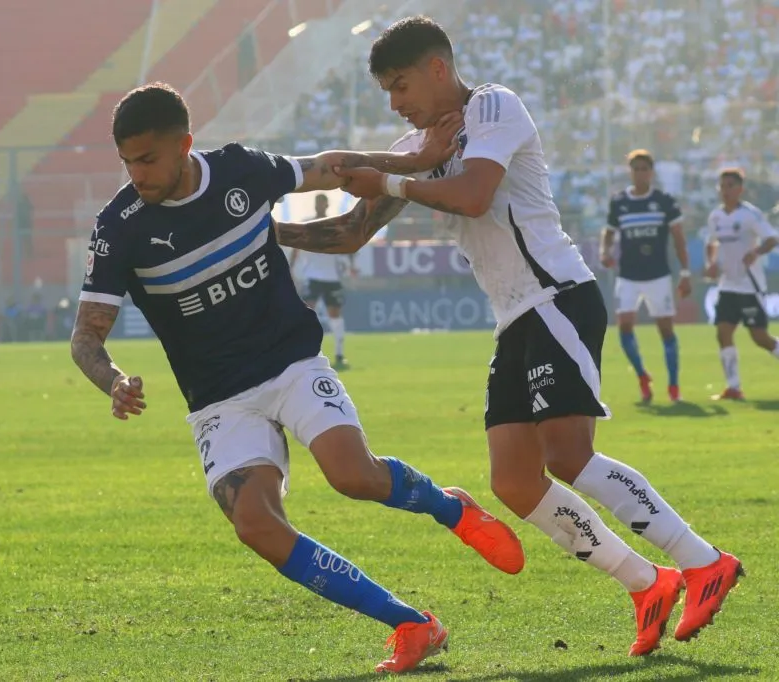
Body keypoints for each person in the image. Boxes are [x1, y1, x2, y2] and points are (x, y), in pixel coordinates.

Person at [276, 17, 743, 657]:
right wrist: (266, 234)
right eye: (387, 91)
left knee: (568, 454)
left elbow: (473, 195)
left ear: (438, 68)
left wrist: (393, 176)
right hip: (516, 318)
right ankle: (647, 583)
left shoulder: (494, 106)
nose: (395, 103)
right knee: (516, 481)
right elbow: (351, 233)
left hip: (557, 297)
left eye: (400, 85)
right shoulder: (416, 146)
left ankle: (704, 560)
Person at [70, 82, 524, 674]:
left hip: (290, 362)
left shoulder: (239, 170)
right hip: (218, 399)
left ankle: (450, 507)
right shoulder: (118, 227)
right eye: (127, 162)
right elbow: (86, 337)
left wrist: (415, 161)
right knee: (255, 525)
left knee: (354, 476)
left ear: (184, 144)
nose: (137, 175)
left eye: (147, 159)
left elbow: (330, 167)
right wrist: (112, 380)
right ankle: (411, 624)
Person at [600, 150, 691, 402]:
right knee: (624, 326)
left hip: (658, 275)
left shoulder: (664, 201)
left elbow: (679, 239)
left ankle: (673, 385)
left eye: (644, 169)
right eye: (635, 169)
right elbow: (608, 231)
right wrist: (604, 251)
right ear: (630, 172)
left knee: (666, 330)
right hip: (628, 275)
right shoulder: (619, 202)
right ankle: (642, 375)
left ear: (651, 172)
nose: (640, 173)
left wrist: (685, 273)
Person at [704, 167, 779, 400]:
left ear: (740, 189)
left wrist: (755, 252)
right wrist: (711, 263)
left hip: (749, 285)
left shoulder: (750, 214)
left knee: (760, 337)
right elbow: (711, 243)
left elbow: (771, 239)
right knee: (723, 333)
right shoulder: (716, 216)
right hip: (727, 285)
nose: (725, 190)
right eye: (722, 186)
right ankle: (734, 388)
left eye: (730, 186)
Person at [289, 193, 356, 369]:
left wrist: (350, 266)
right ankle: (304, 352)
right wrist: (291, 269)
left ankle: (339, 354)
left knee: (335, 315)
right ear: (315, 204)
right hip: (312, 276)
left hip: (332, 277)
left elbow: (347, 246)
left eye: (322, 202)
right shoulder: (307, 224)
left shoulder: (334, 225)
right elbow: (296, 247)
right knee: (307, 313)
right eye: (318, 202)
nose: (320, 205)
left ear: (327, 205)